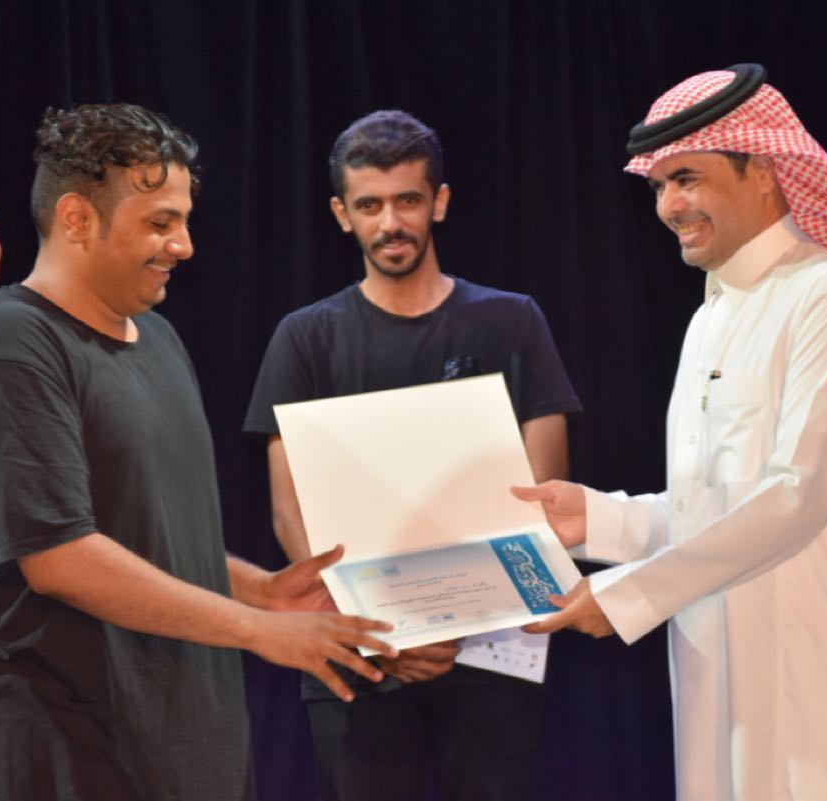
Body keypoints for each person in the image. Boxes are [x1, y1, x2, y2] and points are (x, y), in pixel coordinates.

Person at [513, 65, 827, 799]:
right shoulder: (711, 316)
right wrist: (599, 519)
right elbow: (719, 509)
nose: (669, 205)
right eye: (658, 186)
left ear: (767, 171)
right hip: (725, 691)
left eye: (687, 178)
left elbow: (795, 498)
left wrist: (626, 596)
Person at [0, 102, 396, 801]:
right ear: (78, 218)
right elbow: (57, 556)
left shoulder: (159, 338)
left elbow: (144, 534)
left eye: (185, 221)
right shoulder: (9, 342)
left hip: (165, 735)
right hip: (45, 737)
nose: (185, 245)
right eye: (161, 222)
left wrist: (261, 590)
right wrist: (255, 629)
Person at [243, 109, 581, 801]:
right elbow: (290, 510)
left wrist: (452, 618)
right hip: (358, 648)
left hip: (490, 647)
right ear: (342, 214)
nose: (390, 222)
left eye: (407, 200)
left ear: (440, 202)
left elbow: (546, 490)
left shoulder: (512, 320)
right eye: (369, 205)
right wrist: (390, 631)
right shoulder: (304, 337)